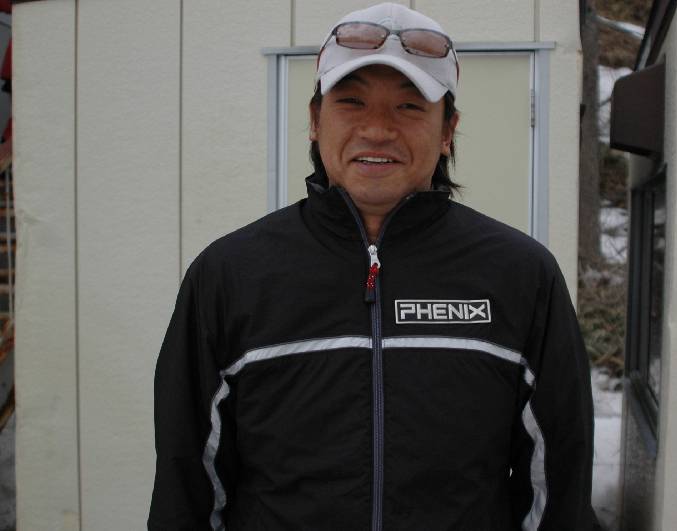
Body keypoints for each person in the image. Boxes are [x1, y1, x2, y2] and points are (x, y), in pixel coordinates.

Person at [148, 3, 595, 530]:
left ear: (448, 130)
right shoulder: (229, 275)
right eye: (352, 102)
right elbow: (186, 479)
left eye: (409, 106)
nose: (378, 129)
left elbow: (559, 480)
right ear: (315, 120)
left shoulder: (521, 275)